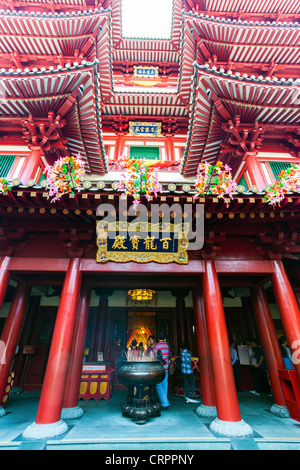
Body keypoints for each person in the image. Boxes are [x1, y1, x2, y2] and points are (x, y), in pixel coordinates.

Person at [153, 332, 171, 409]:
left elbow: (153, 357)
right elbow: (169, 355)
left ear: (158, 338)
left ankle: (165, 402)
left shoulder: (157, 346)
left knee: (158, 385)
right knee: (165, 384)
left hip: (159, 368)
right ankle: (164, 400)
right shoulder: (167, 346)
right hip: (166, 367)